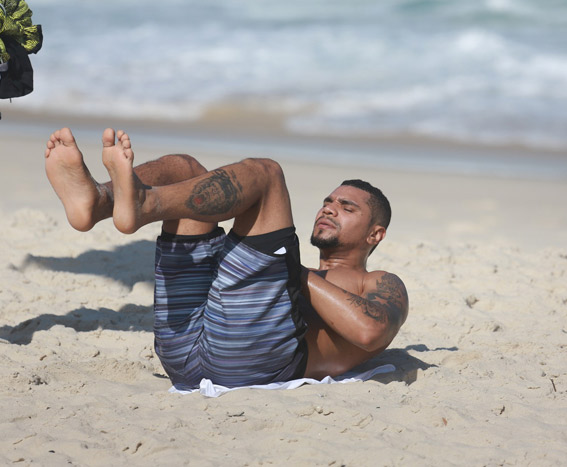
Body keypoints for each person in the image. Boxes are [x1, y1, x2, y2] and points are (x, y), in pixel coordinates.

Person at [44, 127, 409, 388]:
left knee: (267, 174)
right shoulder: (284, 270)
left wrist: (291, 272)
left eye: (346, 208)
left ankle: (144, 203)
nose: (328, 210)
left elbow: (370, 330)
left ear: (375, 234)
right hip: (182, 349)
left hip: (254, 362)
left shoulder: (376, 282)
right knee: (181, 167)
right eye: (327, 202)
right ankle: (97, 201)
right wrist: (284, 269)